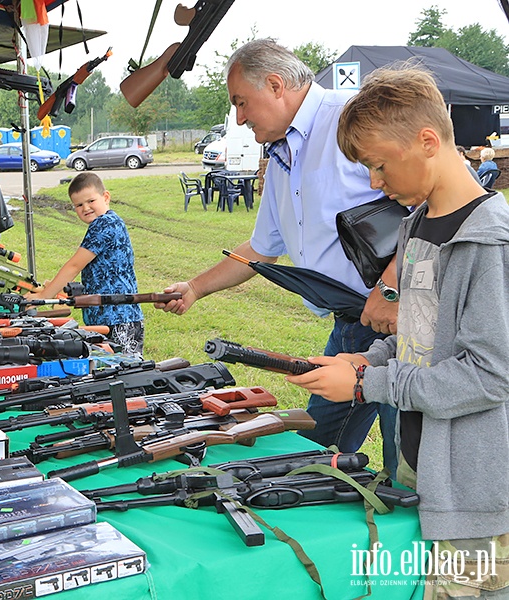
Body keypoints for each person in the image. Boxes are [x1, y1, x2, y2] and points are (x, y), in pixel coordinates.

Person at [286, 67, 509, 596]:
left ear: (427, 141)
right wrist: (363, 361)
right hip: (420, 473)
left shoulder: (489, 244)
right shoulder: (415, 225)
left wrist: (369, 387)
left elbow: (488, 376)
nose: (375, 183)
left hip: (474, 500)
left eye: (380, 165)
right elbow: (416, 335)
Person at [157, 39, 399, 474]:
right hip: (349, 326)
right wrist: (194, 287)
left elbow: (429, 206)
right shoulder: (283, 153)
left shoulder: (351, 117)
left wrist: (391, 287)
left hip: (404, 326)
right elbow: (262, 249)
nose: (239, 117)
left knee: (409, 462)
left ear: (275, 85)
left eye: (241, 102)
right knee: (314, 456)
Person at [27, 172, 144, 356]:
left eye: (91, 201)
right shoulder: (108, 222)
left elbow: (74, 266)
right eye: (79, 205)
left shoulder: (105, 224)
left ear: (106, 197)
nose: (86, 208)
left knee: (124, 371)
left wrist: (41, 298)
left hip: (117, 317)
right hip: (109, 316)